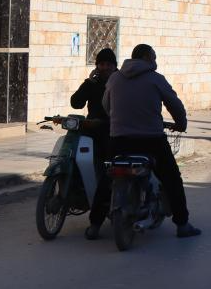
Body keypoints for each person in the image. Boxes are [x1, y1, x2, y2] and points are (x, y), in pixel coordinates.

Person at [102, 43, 201, 238]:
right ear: (147, 57)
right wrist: (181, 123)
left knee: (106, 179)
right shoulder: (156, 79)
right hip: (151, 140)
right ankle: (182, 224)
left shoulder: (114, 78)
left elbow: (106, 104)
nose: (155, 62)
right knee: (172, 178)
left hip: (119, 139)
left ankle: (94, 225)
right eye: (153, 57)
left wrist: (118, 121)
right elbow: (175, 105)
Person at [70, 48, 117, 240]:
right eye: (101, 64)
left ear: (115, 65)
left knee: (107, 170)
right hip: (91, 130)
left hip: (112, 131)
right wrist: (88, 83)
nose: (105, 67)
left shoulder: (119, 82)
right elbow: (76, 103)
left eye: (108, 64)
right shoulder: (93, 82)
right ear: (97, 65)